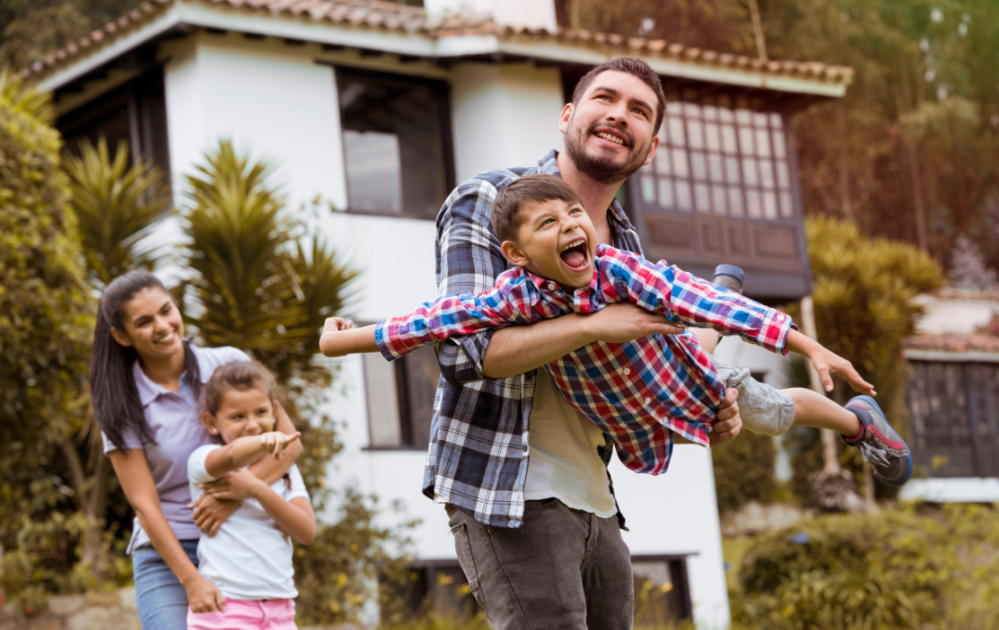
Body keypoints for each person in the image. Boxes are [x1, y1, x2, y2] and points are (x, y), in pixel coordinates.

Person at [368, 57, 740, 629]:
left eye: (638, 111)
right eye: (605, 99)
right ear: (568, 115)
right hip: (507, 488)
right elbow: (465, 354)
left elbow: (638, 380)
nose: (619, 115)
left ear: (651, 146)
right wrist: (592, 325)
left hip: (596, 495)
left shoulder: (628, 247)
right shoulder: (489, 200)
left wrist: (704, 405)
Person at [319, 174, 911, 486]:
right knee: (681, 330)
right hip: (641, 401)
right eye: (548, 222)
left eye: (576, 213)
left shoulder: (617, 269)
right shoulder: (512, 297)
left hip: (684, 379)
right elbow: (429, 321)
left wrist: (806, 344)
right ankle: (720, 291)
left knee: (765, 406)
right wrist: (338, 340)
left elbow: (692, 300)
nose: (572, 224)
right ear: (516, 254)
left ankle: (858, 422)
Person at [90, 270, 303, 630]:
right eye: (144, 322)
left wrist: (235, 495)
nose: (162, 325)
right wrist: (191, 580)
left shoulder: (228, 362)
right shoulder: (120, 403)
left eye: (166, 310)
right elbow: (143, 502)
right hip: (171, 554)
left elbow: (288, 442)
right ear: (122, 336)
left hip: (239, 541)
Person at [186, 360, 315, 630]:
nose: (252, 424)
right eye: (237, 417)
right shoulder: (205, 463)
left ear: (274, 412)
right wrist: (262, 443)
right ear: (211, 422)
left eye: (260, 412)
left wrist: (256, 489)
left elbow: (306, 532)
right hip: (226, 609)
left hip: (280, 611)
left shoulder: (285, 469)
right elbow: (233, 454)